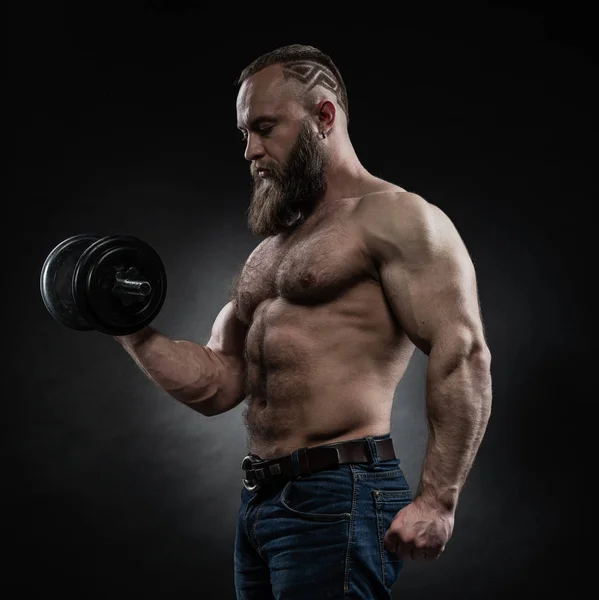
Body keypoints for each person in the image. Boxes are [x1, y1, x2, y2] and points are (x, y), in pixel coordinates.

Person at [115, 44, 492, 599]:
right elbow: (220, 381)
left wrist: (438, 500)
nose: (250, 150)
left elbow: (461, 352)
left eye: (264, 127)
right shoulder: (270, 250)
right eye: (244, 132)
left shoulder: (397, 217)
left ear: (324, 117)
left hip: (341, 494)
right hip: (264, 503)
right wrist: (127, 326)